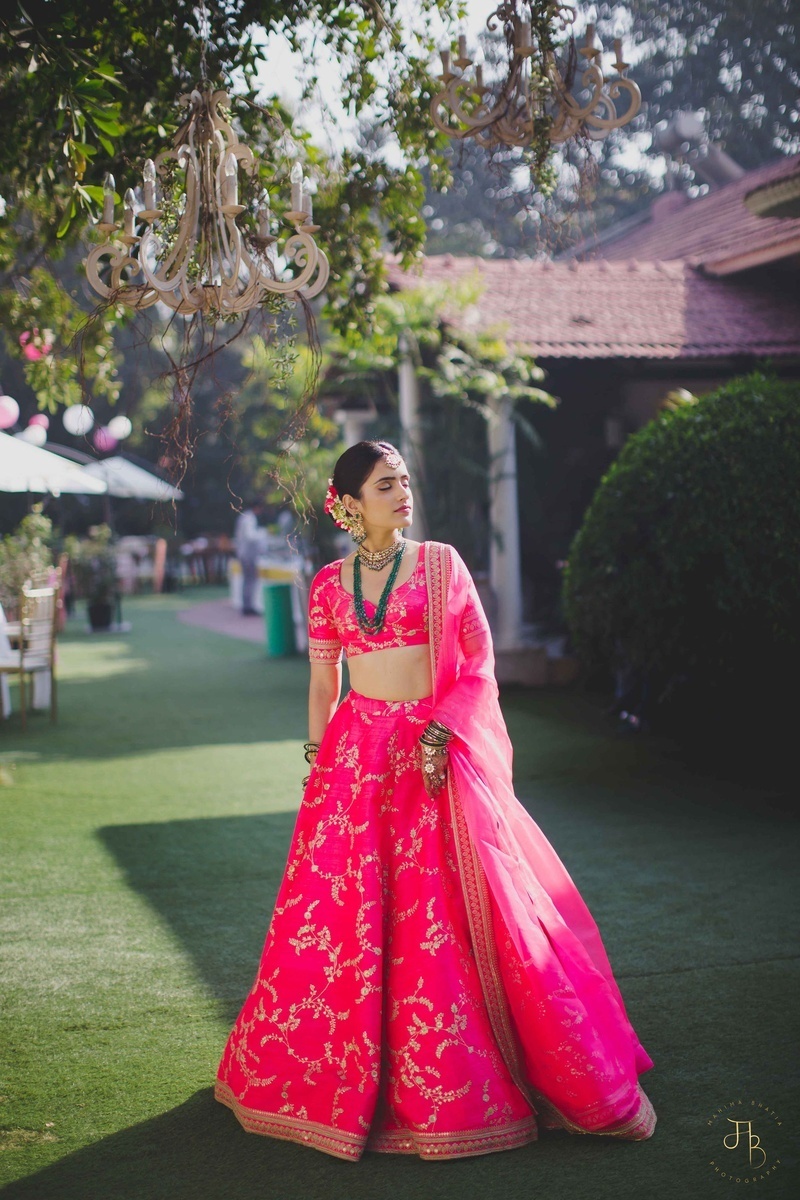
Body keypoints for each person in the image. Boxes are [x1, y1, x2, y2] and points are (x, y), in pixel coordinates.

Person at [215, 440, 656, 1161]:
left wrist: (442, 730)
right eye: (387, 484)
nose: (403, 492)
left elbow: (478, 665)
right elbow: (326, 687)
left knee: (453, 915)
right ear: (350, 503)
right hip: (357, 763)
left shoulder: (443, 564)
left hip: (434, 754)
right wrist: (316, 765)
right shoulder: (329, 584)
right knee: (344, 920)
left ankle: (483, 1071)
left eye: (405, 480)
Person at [234, 499, 265, 615]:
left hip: (245, 553)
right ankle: (248, 606)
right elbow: (250, 536)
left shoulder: (245, 517)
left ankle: (247, 605)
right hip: (248, 554)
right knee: (250, 580)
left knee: (248, 580)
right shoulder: (249, 519)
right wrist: (263, 533)